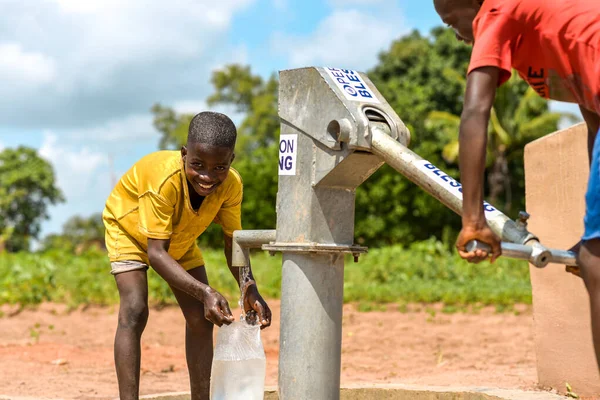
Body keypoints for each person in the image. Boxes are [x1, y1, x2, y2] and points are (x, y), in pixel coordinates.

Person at [433, 0, 600, 368]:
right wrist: (592, 229)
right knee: (594, 253)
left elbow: (475, 113)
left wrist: (473, 221)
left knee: (595, 263)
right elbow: (594, 121)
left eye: (451, 22)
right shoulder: (543, 30)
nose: (458, 35)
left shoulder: (497, 11)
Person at [102, 111, 272, 400]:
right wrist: (205, 290)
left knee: (200, 319)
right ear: (184, 154)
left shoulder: (231, 185)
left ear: (231, 160)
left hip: (179, 238)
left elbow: (233, 242)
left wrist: (249, 287)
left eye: (219, 167)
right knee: (135, 309)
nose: (207, 177)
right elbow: (156, 254)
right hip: (128, 231)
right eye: (197, 164)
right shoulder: (163, 179)